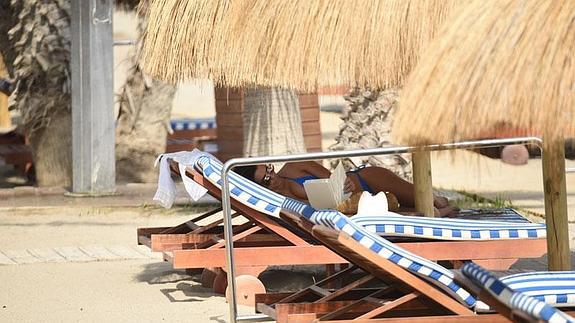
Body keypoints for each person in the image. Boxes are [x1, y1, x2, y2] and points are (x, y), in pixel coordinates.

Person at [235, 161, 456, 216]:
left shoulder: (293, 167)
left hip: (367, 181)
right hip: (361, 207)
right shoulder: (278, 203)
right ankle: (441, 214)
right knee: (418, 209)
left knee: (431, 201)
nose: (272, 177)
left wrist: (342, 183)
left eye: (269, 169)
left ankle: (440, 205)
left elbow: (333, 177)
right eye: (265, 179)